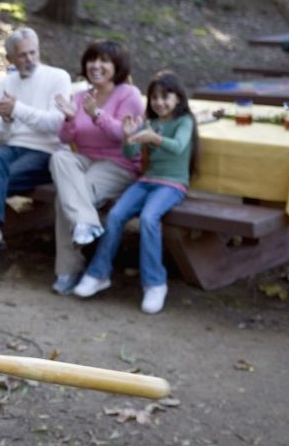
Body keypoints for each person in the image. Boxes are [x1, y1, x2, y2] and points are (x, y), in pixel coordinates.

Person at [72, 71, 198, 314]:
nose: (159, 103)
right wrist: (129, 138)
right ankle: (99, 273)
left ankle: (154, 283)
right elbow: (132, 156)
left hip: (172, 184)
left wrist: (154, 138)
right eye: (154, 98)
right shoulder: (150, 122)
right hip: (146, 180)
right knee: (116, 215)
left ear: (178, 98)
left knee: (150, 219)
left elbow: (179, 147)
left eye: (165, 97)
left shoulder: (184, 122)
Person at [0, 28, 72, 275]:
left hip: (46, 153)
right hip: (12, 149)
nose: (29, 58)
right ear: (10, 58)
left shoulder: (58, 77)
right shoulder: (5, 84)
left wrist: (17, 110)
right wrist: (8, 119)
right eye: (22, 55)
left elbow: (56, 124)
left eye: (33, 53)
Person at [49, 40, 144, 295]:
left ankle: (67, 270)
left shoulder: (129, 95)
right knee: (59, 157)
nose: (96, 66)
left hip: (118, 164)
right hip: (84, 160)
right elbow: (66, 139)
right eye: (92, 60)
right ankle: (87, 222)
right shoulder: (80, 96)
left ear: (117, 66)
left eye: (104, 61)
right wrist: (69, 118)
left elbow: (124, 136)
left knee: (65, 199)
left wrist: (97, 115)